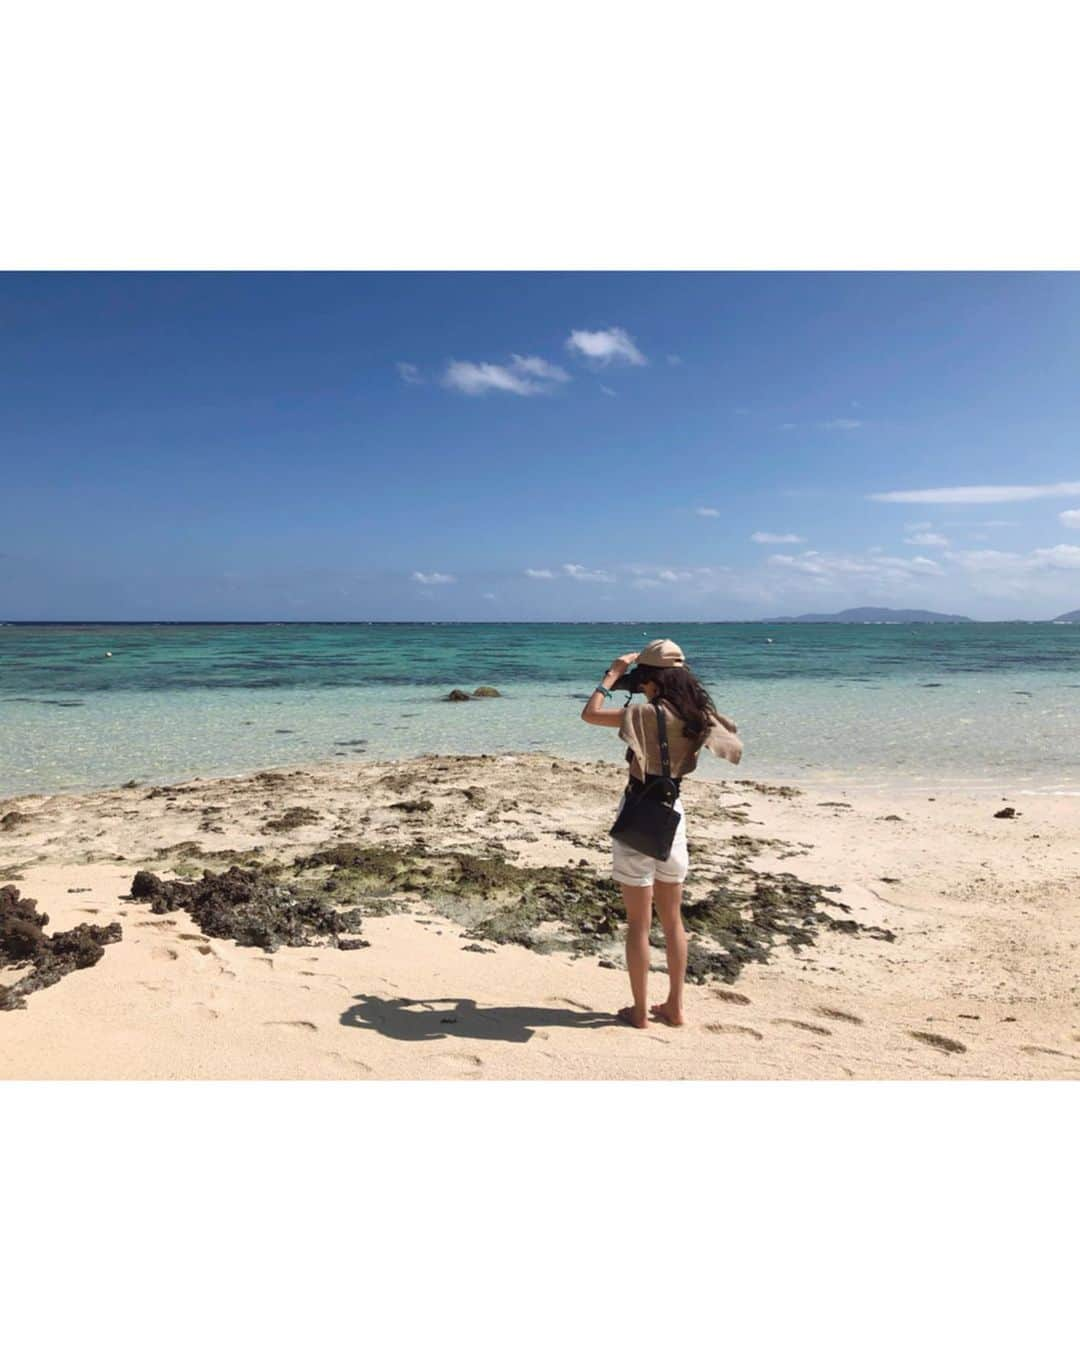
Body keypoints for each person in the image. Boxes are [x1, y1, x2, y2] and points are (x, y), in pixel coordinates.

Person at [581, 639, 743, 1028]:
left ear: (650, 680)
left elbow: (591, 713)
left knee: (639, 923)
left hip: (639, 813)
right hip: (674, 818)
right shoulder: (699, 716)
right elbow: (731, 742)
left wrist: (613, 675)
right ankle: (675, 1007)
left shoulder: (640, 714)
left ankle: (639, 1011)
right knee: (673, 922)